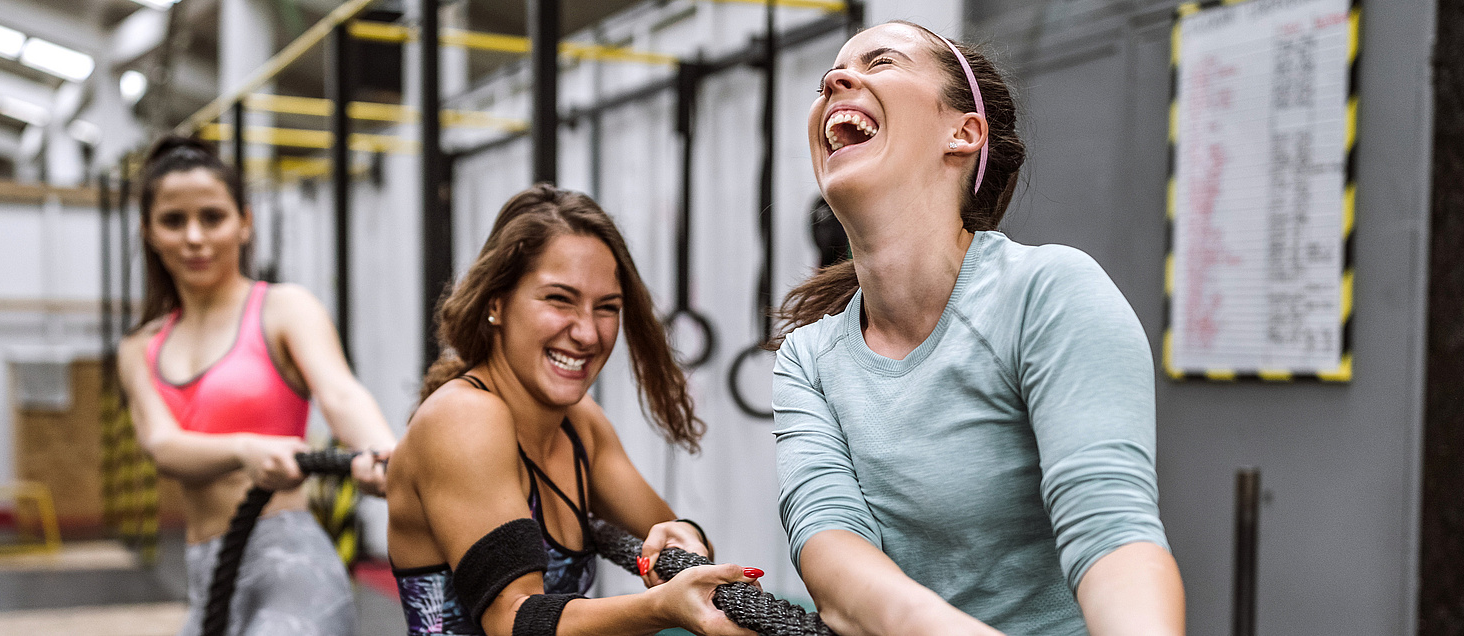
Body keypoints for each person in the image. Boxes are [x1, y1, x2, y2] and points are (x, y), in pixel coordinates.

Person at [772, 21, 1186, 635]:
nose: (836, 80)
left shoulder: (1047, 291)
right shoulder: (807, 360)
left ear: (962, 133)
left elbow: (1111, 531)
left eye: (882, 61)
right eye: (827, 78)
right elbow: (832, 555)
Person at [386, 185, 760, 636]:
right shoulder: (463, 419)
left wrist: (688, 535)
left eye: (607, 308)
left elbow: (668, 535)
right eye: (559, 299)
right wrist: (659, 608)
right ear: (496, 303)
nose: (587, 333)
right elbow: (512, 620)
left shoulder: (581, 424)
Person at [115, 137, 399, 636]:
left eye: (212, 216)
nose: (195, 237)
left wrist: (386, 455)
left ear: (244, 222)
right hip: (206, 576)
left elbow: (341, 394)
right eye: (173, 221)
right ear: (148, 231)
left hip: (290, 568)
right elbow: (162, 446)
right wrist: (248, 448)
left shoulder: (284, 309)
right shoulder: (140, 349)